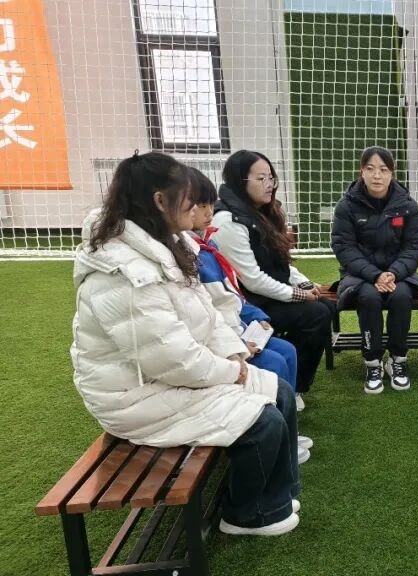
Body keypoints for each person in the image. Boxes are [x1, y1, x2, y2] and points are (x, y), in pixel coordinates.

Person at [71, 151, 301, 536]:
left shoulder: (168, 245)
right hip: (134, 396)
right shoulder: (125, 274)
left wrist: (234, 355)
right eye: (189, 196)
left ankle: (277, 496)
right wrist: (232, 371)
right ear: (160, 201)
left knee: (279, 390)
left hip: (167, 377)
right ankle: (246, 515)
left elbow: (208, 314)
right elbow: (172, 359)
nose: (196, 205)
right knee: (263, 420)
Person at [187, 167, 314, 463]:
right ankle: (275, 435)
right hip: (224, 341)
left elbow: (232, 295)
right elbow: (210, 310)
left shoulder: (208, 244)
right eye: (201, 205)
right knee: (275, 360)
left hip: (238, 325)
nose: (209, 212)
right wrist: (238, 344)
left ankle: (287, 426)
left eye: (210, 204)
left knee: (287, 350)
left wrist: (256, 316)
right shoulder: (198, 249)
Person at [210, 150, 334, 404]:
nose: (269, 184)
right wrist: (299, 294)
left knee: (325, 306)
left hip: (269, 295)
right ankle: (290, 385)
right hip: (250, 303)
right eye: (261, 179)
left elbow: (280, 264)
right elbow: (252, 279)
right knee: (316, 314)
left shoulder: (263, 212)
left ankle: (294, 381)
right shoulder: (228, 221)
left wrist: (305, 284)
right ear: (240, 181)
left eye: (271, 178)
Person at [331, 147, 418, 394]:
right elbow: (344, 247)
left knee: (401, 296)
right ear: (361, 172)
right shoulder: (346, 206)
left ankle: (398, 359)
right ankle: (373, 362)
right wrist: (374, 275)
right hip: (360, 275)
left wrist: (393, 273)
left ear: (392, 173)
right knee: (368, 297)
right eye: (370, 169)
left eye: (383, 169)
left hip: (399, 275)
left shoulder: (407, 205)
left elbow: (414, 245)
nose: (377, 175)